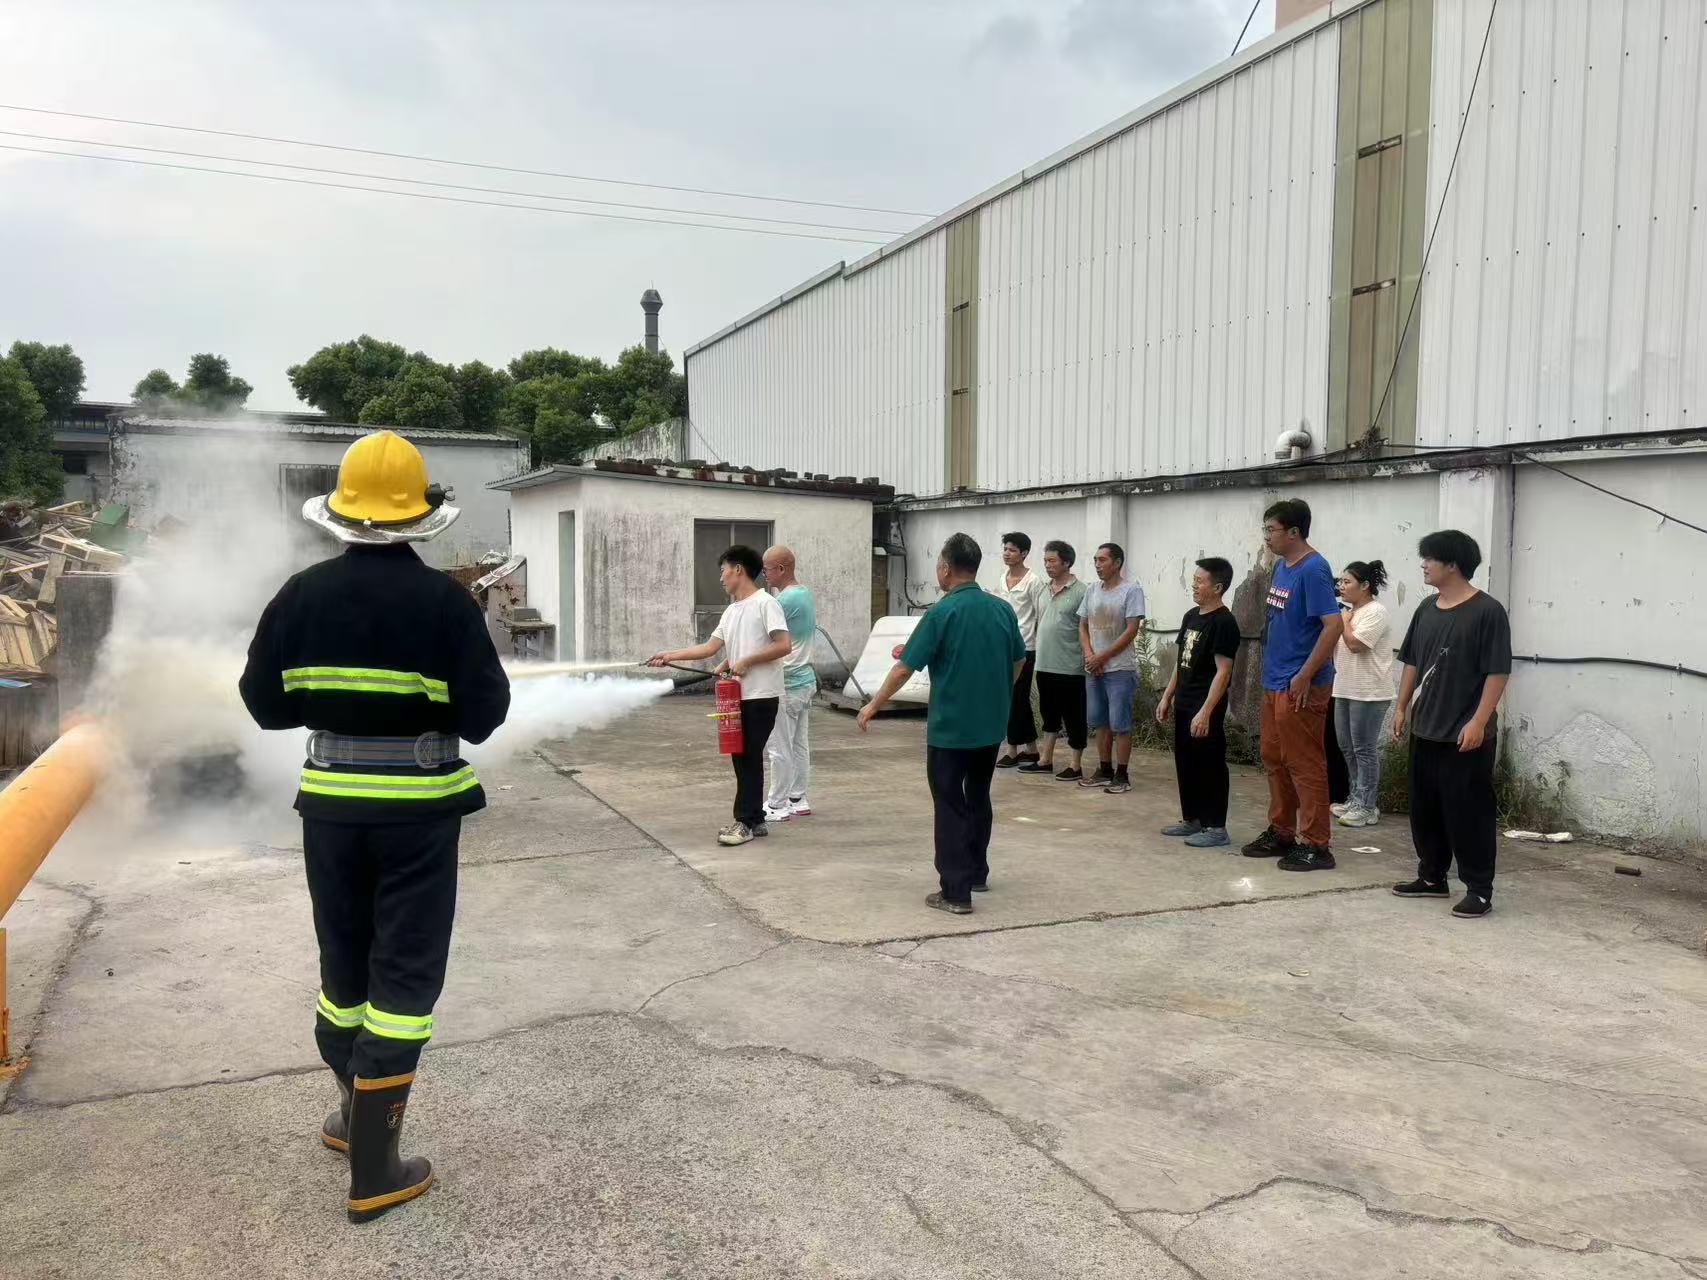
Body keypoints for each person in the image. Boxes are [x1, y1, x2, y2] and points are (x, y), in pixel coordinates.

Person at [238, 430, 511, 1223]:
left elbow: (263, 705)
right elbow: (485, 715)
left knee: (345, 965)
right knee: (403, 981)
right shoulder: (444, 603)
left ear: (342, 512)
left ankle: (353, 1114)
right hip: (418, 817)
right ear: (418, 514)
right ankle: (375, 1167)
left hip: (329, 811)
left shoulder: (300, 594)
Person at [857, 532, 1026, 915]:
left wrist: (873, 705)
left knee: (949, 804)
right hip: (990, 726)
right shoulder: (1002, 610)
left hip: (951, 729)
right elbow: (1018, 660)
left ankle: (955, 891)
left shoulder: (941, 612)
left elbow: (904, 668)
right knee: (978, 795)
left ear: (946, 569)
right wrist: (1000, 692)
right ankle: (977, 872)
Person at [1391, 530, 1512, 918]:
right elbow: (1412, 660)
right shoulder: (1426, 608)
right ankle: (1432, 877)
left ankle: (1479, 889)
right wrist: (1401, 707)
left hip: (1465, 733)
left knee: (1469, 812)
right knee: (1425, 809)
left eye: (1430, 559)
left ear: (1453, 564)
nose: (1424, 565)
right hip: (1425, 726)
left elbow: (1497, 672)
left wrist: (1478, 721)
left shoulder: (1488, 611)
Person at [649, 545, 791, 847]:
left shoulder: (766, 604)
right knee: (742, 756)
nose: (721, 578)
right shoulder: (732, 610)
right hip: (738, 695)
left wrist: (747, 661)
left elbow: (783, 645)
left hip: (761, 695)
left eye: (723, 571)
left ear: (738, 569)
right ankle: (756, 820)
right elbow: (709, 648)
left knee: (747, 756)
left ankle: (745, 822)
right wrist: (669, 655)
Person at [1243, 499, 1343, 870]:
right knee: (1274, 757)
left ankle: (1316, 843)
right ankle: (1282, 831)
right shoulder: (1281, 567)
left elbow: (1333, 626)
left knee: (1304, 762)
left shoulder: (1314, 569)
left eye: (1271, 530)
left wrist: (1304, 675)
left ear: (1294, 532)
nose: (1266, 537)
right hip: (1275, 680)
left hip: (1300, 684)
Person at [1156, 557, 1241, 848]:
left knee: (1210, 765)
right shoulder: (1191, 615)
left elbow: (1224, 671)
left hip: (1205, 705)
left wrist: (1206, 711)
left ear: (1217, 587)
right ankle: (1191, 819)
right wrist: (1167, 696)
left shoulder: (1224, 622)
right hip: (1184, 701)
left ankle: (1216, 827)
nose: (1194, 585)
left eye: (1200, 581)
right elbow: (1181, 662)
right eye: (1194, 580)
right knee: (1186, 762)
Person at [1077, 542, 1146, 794]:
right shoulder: (1092, 590)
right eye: (1095, 560)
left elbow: (1131, 630)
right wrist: (1089, 655)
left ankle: (1122, 775)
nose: (1097, 565)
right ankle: (1104, 769)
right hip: (1094, 668)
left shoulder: (1131, 591)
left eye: (1103, 560)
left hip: (1119, 669)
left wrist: (1102, 657)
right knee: (1100, 722)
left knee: (1120, 724)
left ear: (1117, 563)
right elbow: (1083, 625)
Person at [1019, 540, 1089, 781]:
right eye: (1045, 561)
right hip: (1044, 663)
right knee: (1048, 714)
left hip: (1070, 666)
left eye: (1052, 561)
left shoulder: (1082, 591)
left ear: (1067, 562)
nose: (1047, 565)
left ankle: (1075, 765)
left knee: (1074, 717)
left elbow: (1086, 628)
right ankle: (1045, 760)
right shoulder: (1042, 590)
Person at [1331, 560, 1394, 828]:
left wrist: (1345, 623)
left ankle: (1367, 806)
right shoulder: (1349, 612)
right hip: (1345, 687)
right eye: (1340, 581)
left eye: (1347, 582)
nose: (1341, 586)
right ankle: (1355, 798)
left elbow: (1356, 645)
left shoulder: (1375, 612)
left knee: (1364, 749)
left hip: (1369, 692)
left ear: (1365, 585)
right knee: (1347, 746)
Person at [760, 544, 817, 823]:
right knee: (798, 744)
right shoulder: (803, 593)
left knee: (778, 747)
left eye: (767, 569)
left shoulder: (784, 601)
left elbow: (760, 634)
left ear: (781, 569)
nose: (764, 575)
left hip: (789, 683)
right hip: (805, 680)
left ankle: (777, 804)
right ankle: (797, 798)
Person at [994, 532, 1048, 769]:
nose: (1007, 553)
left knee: (1017, 698)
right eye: (1005, 549)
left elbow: (1041, 615)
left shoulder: (1033, 581)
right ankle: (1031, 749)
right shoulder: (1002, 578)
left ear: (1024, 553)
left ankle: (1012, 749)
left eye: (1012, 550)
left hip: (1025, 648)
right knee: (1011, 698)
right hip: (1003, 647)